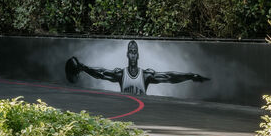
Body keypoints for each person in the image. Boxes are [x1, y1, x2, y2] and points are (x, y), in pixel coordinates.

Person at [65, 40, 210, 96]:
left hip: (142, 111)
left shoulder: (146, 75)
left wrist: (190, 76)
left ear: (138, 55)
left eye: (135, 52)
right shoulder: (121, 74)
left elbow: (169, 77)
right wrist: (82, 67)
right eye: (131, 52)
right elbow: (102, 73)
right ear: (127, 54)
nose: (133, 54)